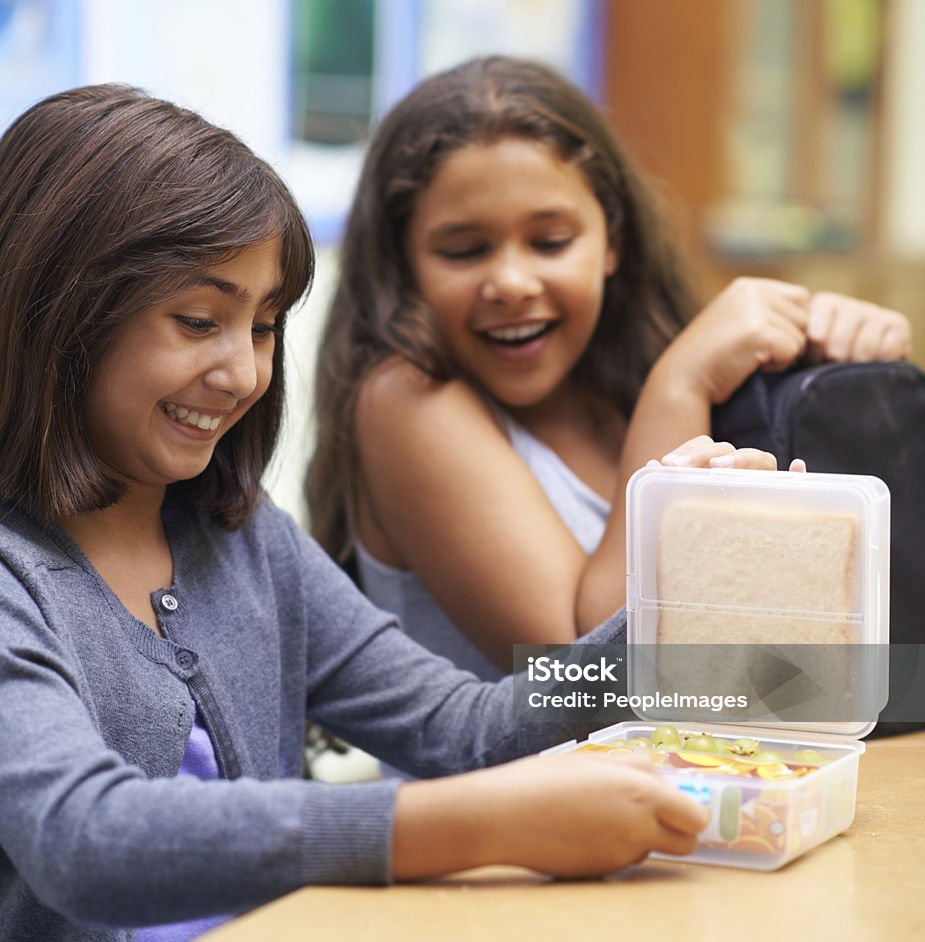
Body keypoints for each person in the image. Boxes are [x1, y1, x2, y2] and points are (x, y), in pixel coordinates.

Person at [0, 84, 783, 942]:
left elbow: (467, 728)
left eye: (262, 326)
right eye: (198, 323)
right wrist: (482, 822)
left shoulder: (245, 545)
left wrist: (674, 603)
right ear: (59, 314)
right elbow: (86, 839)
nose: (242, 373)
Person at [307, 55, 912, 680]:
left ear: (612, 243)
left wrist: (855, 365)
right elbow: (580, 668)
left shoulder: (625, 383)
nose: (512, 282)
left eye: (550, 242)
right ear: (403, 266)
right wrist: (680, 384)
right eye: (464, 250)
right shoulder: (402, 400)